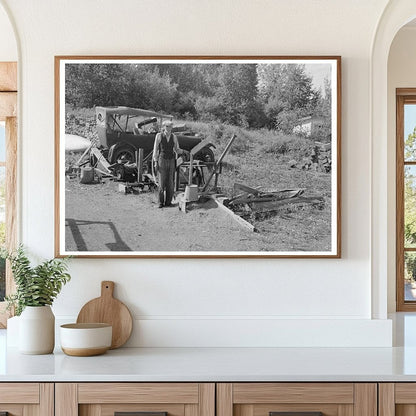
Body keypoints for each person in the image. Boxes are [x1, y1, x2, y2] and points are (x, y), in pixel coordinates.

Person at [153, 120, 184, 208]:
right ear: (163, 127)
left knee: (170, 182)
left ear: (172, 127)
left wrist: (185, 152)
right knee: (162, 181)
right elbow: (155, 149)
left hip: (171, 160)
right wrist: (155, 162)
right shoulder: (159, 136)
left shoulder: (174, 137)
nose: (168, 128)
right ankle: (160, 202)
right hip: (162, 159)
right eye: (167, 126)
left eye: (170, 126)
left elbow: (177, 149)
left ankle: (168, 202)